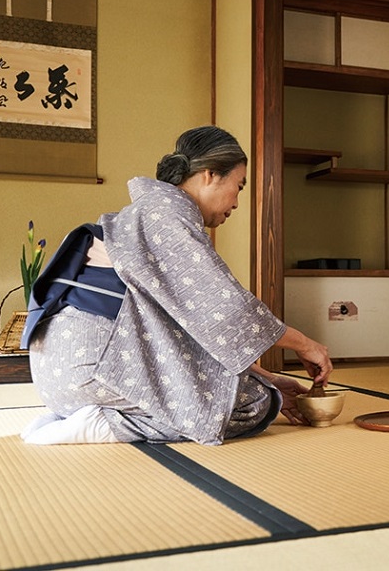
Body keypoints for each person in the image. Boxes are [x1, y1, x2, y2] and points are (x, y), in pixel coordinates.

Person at [20, 126, 334, 445]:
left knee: (258, 391)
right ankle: (103, 424)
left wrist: (267, 378)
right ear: (209, 175)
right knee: (251, 404)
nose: (237, 202)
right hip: (95, 366)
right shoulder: (165, 214)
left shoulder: (149, 213)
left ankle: (81, 416)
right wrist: (307, 345)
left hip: (62, 375)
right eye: (239, 186)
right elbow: (227, 309)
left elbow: (184, 333)